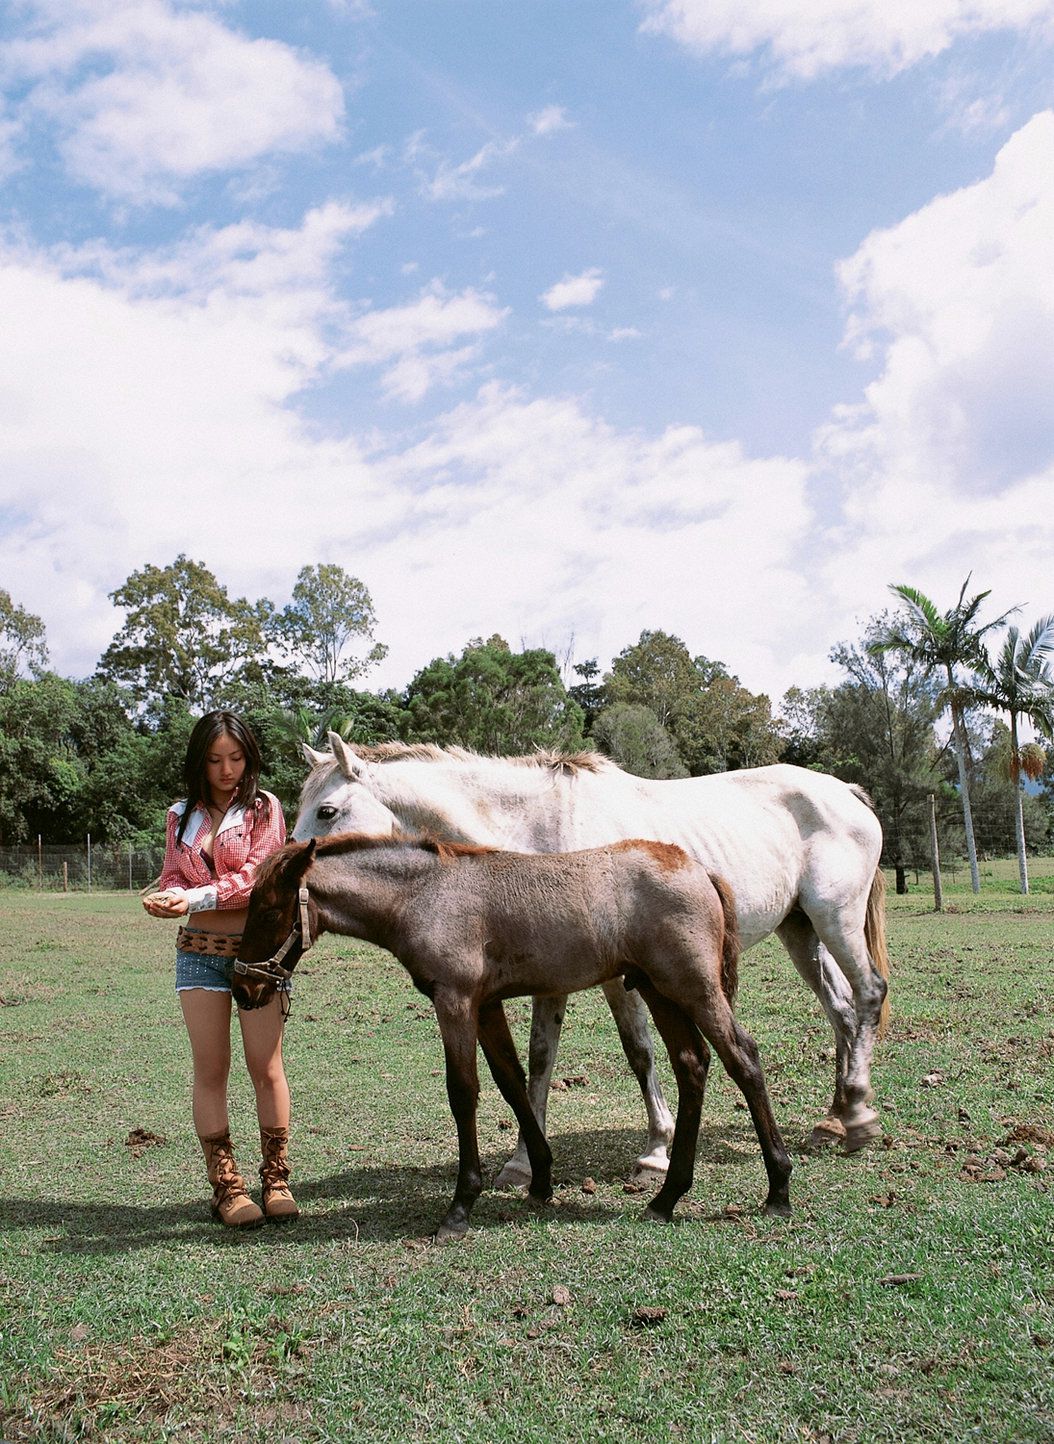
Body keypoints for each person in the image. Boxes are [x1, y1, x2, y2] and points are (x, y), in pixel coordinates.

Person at [142, 710, 296, 1228]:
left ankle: (276, 1179)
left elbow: (258, 878)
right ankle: (227, 1187)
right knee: (211, 1070)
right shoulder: (179, 814)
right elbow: (172, 871)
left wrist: (194, 894)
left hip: (256, 955)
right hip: (197, 950)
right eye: (214, 760)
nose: (226, 769)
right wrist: (163, 896)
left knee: (265, 1065)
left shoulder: (264, 809)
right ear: (199, 762)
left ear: (248, 757)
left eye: (235, 758)